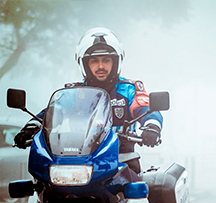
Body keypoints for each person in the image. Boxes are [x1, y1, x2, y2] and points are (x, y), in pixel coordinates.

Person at [14, 27, 162, 175]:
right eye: (94, 61)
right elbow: (52, 112)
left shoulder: (129, 89)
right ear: (84, 63)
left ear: (116, 61)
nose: (101, 66)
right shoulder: (74, 93)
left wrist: (152, 128)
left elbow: (147, 109)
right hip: (78, 163)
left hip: (122, 160)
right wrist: (30, 128)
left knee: (137, 192)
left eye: (106, 60)